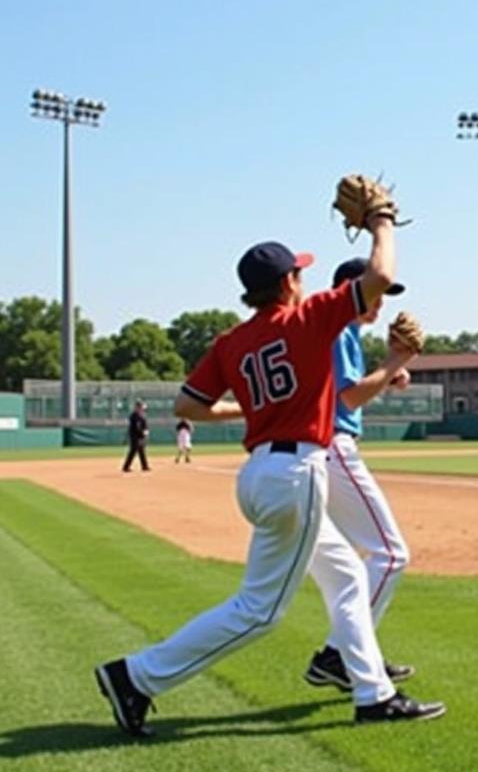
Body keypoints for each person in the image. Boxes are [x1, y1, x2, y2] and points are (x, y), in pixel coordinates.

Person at [95, 211, 445, 738]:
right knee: (259, 612)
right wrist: (383, 223)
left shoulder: (231, 342)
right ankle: (136, 677)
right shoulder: (307, 320)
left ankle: (374, 695)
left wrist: (248, 412)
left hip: (260, 473)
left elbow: (189, 405)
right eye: (299, 274)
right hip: (295, 474)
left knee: (348, 577)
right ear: (286, 283)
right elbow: (375, 276)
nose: (304, 281)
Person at [303, 257, 420, 696]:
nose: (381, 305)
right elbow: (348, 399)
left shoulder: (340, 331)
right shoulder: (338, 331)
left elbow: (346, 390)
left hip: (321, 448)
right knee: (390, 556)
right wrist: (393, 363)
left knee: (355, 568)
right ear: (352, 287)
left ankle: (357, 653)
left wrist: (389, 375)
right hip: (333, 446)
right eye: (376, 293)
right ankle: (338, 653)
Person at [122, 400, 150, 472]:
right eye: (140, 407)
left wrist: (146, 431)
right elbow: (136, 427)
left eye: (142, 408)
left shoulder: (142, 416)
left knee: (141, 450)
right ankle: (126, 467)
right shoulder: (134, 416)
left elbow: (145, 425)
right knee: (133, 450)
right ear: (137, 407)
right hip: (134, 436)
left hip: (140, 436)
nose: (142, 409)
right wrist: (142, 433)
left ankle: (144, 466)